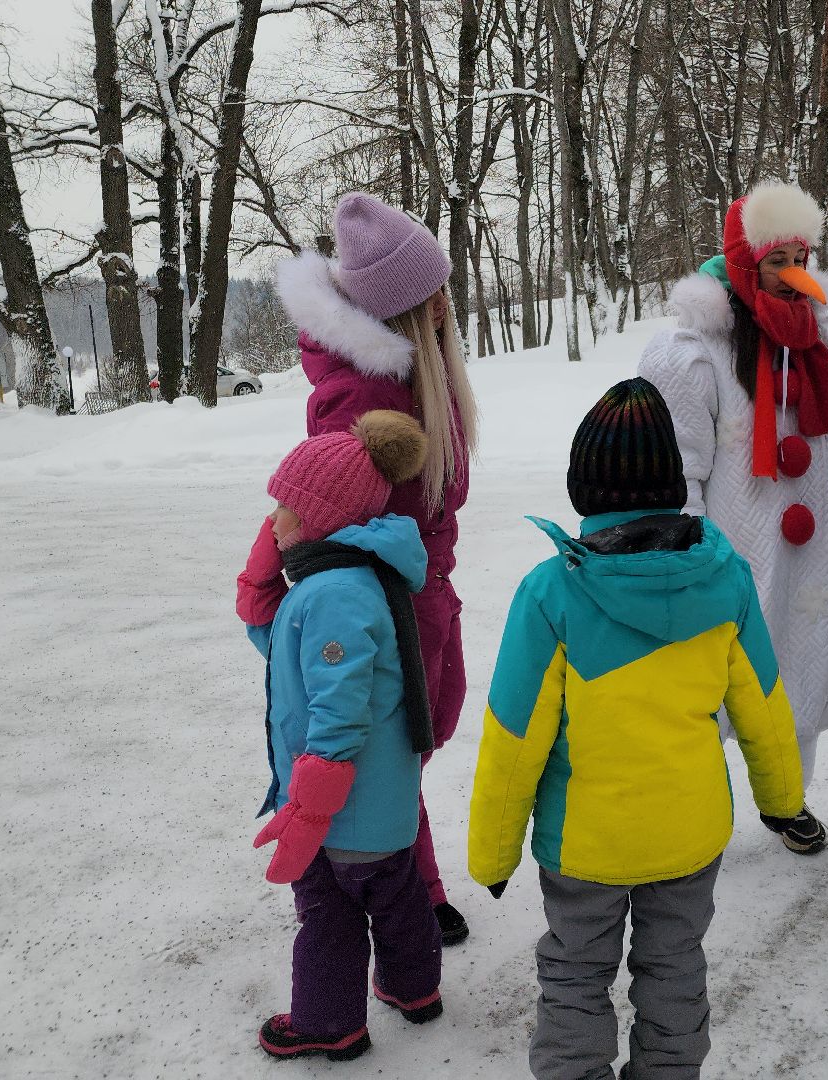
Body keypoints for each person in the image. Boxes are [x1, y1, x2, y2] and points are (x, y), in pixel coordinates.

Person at [469, 379, 805, 1080]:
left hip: (585, 844)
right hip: (689, 836)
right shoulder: (728, 581)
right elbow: (765, 708)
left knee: (574, 974)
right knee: (675, 966)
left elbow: (513, 736)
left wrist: (493, 857)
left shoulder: (551, 593)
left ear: (582, 492)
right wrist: (781, 801)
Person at [638, 181, 828, 855]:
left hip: (812, 551)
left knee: (801, 670)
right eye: (779, 259)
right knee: (712, 685)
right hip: (729, 551)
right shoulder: (693, 349)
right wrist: (680, 556)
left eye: (803, 255)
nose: (794, 272)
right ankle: (693, 808)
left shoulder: (825, 337)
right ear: (746, 260)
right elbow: (674, 468)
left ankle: (786, 799)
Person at [275, 192, 482, 946]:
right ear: (401, 311)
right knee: (387, 745)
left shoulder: (417, 379)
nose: (445, 309)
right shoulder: (360, 397)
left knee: (408, 742)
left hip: (419, 588)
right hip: (378, 603)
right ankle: (404, 893)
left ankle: (410, 887)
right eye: (431, 299)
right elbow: (317, 495)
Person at [239, 410, 445, 1061]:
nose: (271, 522)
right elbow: (280, 644)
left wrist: (311, 799)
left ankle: (330, 1022)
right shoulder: (350, 580)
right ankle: (415, 989)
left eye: (283, 509)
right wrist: (259, 580)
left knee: (328, 910)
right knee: (396, 892)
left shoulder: (333, 592)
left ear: (321, 518)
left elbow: (340, 706)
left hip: (340, 810)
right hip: (381, 802)